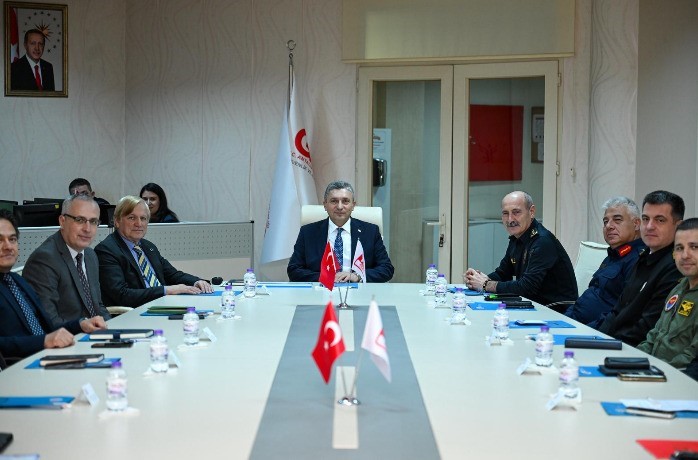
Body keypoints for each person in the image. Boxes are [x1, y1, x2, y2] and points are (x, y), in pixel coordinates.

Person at [0, 210, 106, 362]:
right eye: (0, 240)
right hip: (19, 368)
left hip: (48, 357)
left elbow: (47, 328)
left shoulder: (16, 281)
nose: (8, 246)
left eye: (12, 239)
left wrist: (80, 324)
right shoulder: (41, 261)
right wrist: (43, 341)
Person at [593, 190, 684, 346]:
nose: (649, 226)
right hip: (610, 341)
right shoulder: (644, 256)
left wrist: (607, 344)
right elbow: (617, 310)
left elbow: (647, 326)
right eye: (646, 219)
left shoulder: (675, 267)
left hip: (632, 348)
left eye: (660, 220)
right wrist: (597, 337)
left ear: (678, 226)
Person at [464, 191, 577, 308]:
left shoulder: (542, 241)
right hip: (532, 306)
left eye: (516, 212)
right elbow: (503, 273)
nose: (510, 219)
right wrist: (477, 279)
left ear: (531, 212)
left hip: (555, 310)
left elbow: (527, 288)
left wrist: (485, 284)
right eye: (505, 213)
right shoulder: (517, 238)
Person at [95, 196, 212, 307]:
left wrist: (196, 281)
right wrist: (166, 290)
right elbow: (122, 295)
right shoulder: (107, 250)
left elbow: (172, 275)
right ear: (117, 221)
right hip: (135, 313)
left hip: (162, 306)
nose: (139, 224)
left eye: (143, 218)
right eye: (132, 218)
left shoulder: (148, 247)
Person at [22, 195, 111, 328]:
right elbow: (48, 321)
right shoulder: (44, 259)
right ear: (62, 221)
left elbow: (97, 306)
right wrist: (82, 327)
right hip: (69, 337)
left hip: (96, 334)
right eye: (80, 220)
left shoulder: (90, 255)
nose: (87, 229)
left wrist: (112, 328)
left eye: (93, 221)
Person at [288, 181, 394, 283]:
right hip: (320, 290)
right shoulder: (308, 232)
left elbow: (386, 269)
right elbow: (293, 270)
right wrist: (325, 277)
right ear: (325, 205)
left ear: (353, 205)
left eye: (345, 201)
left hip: (358, 291)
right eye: (334, 201)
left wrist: (357, 276)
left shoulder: (370, 232)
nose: (339, 207)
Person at [565, 196, 645, 325]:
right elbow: (591, 295)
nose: (608, 226)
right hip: (573, 321)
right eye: (605, 221)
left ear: (636, 224)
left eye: (617, 220)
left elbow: (622, 314)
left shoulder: (638, 259)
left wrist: (586, 329)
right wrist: (564, 319)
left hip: (593, 331)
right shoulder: (613, 255)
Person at [636, 218, 698, 368]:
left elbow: (692, 357)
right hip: (652, 369)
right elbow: (654, 336)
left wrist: (654, 369)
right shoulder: (677, 289)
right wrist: (631, 359)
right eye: (679, 248)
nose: (685, 255)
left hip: (677, 376)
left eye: (694, 247)